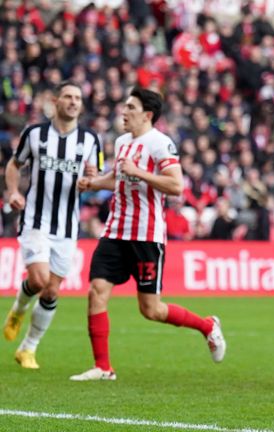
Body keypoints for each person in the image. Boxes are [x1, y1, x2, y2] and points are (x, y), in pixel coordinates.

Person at [70, 88, 226, 381]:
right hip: (115, 231)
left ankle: (207, 326)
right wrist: (92, 184)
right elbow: (118, 178)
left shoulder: (160, 144)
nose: (124, 111)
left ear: (147, 115)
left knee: (151, 310)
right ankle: (103, 367)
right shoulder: (121, 142)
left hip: (147, 236)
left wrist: (139, 173)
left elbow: (176, 186)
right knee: (96, 292)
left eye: (130, 107)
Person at [3, 81, 101, 369]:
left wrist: (90, 182)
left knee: (52, 291)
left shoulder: (90, 140)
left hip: (67, 227)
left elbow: (93, 180)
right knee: (38, 280)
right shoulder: (35, 134)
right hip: (35, 219)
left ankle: (27, 348)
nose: (73, 102)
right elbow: (13, 165)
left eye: (78, 98)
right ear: (56, 100)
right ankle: (18, 310)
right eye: (68, 97)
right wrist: (13, 192)